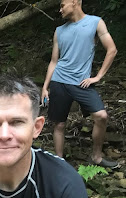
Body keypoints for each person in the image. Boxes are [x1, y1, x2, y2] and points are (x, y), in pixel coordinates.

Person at [41, 0, 118, 168]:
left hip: (82, 83)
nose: (60, 10)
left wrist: (98, 76)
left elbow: (112, 50)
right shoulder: (59, 31)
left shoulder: (95, 22)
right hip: (59, 81)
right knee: (59, 124)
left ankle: (96, 157)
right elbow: (54, 61)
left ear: (75, 2)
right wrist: (45, 87)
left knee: (101, 116)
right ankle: (59, 162)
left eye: (62, 5)